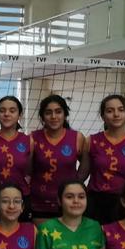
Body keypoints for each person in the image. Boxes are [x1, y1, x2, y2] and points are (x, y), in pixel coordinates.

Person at [83, 94, 125, 225]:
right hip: (94, 203)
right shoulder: (91, 141)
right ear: (103, 116)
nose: (116, 114)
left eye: (121, 110)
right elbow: (82, 174)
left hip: (122, 204)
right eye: (110, 111)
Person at [30, 94, 84, 223]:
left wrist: (74, 185)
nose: (54, 116)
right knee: (42, 236)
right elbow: (27, 169)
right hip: (40, 203)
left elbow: (85, 168)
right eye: (48, 113)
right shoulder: (33, 138)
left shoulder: (77, 138)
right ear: (42, 116)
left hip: (69, 203)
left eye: (58, 112)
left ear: (65, 114)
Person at [0, 95, 31, 224]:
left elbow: (29, 171)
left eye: (12, 111)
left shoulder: (28, 141)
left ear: (20, 115)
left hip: (19, 198)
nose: (7, 114)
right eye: (2, 110)